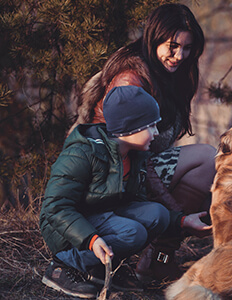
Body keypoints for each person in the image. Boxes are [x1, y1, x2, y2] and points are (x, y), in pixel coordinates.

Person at [69, 3, 216, 281]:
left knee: (210, 160)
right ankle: (154, 255)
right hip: (111, 177)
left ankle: (160, 258)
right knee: (207, 159)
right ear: (154, 37)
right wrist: (176, 214)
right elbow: (130, 157)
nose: (179, 56)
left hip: (138, 167)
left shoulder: (172, 74)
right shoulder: (130, 79)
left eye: (186, 48)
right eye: (172, 46)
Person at [40, 86, 211, 299]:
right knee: (132, 232)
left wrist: (183, 221)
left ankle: (102, 269)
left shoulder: (133, 155)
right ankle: (62, 267)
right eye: (151, 126)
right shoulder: (82, 154)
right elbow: (55, 207)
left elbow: (138, 202)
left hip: (102, 218)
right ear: (129, 128)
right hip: (66, 231)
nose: (156, 133)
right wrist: (91, 239)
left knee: (158, 214)